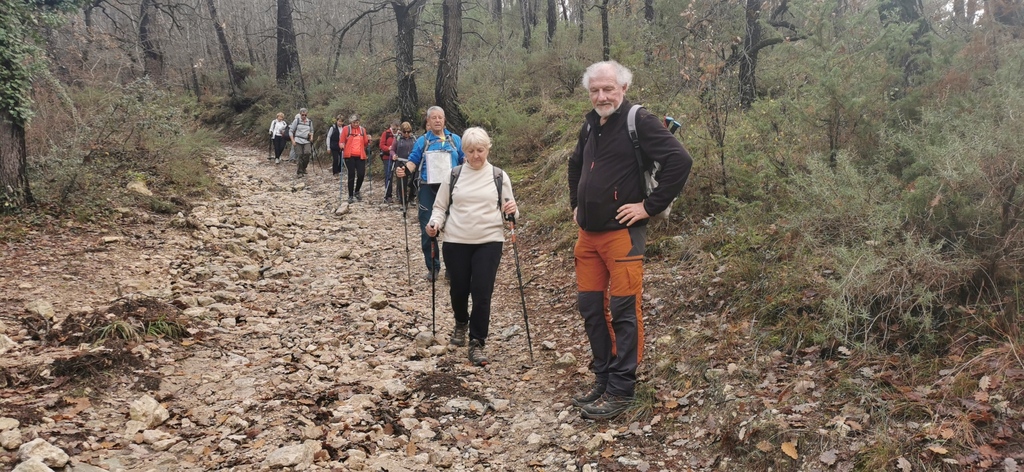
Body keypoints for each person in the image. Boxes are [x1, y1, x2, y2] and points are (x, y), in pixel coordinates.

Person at [567, 60, 693, 420]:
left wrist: (649, 207)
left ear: (623, 88)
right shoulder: (591, 125)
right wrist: (576, 205)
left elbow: (679, 161)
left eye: (608, 89)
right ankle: (604, 378)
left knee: (623, 311)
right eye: (595, 90)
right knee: (591, 309)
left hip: (622, 236)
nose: (601, 95)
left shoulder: (640, 121)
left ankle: (622, 389)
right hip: (588, 237)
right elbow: (575, 165)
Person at [425, 127, 518, 366]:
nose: (476, 155)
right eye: (470, 151)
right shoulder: (453, 175)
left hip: (489, 241)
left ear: (488, 148)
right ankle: (461, 322)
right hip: (456, 240)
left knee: (482, 292)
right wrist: (435, 223)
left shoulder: (499, 176)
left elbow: (511, 209)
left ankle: (477, 341)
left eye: (481, 150)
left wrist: (512, 212)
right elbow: (439, 206)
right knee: (458, 289)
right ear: (463, 151)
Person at [395, 106, 465, 281]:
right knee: (429, 228)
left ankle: (452, 268)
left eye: (440, 117)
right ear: (428, 121)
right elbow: (413, 161)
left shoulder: (455, 140)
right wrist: (404, 170)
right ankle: (433, 267)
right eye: (433, 117)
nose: (437, 120)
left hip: (452, 188)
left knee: (453, 228)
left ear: (444, 120)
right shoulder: (422, 141)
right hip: (428, 188)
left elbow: (466, 160)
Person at [340, 114, 372, 203]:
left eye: (357, 122)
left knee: (361, 174)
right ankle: (350, 195)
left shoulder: (362, 130)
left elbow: (365, 143)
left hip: (360, 155)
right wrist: (341, 145)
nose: (356, 124)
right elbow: (341, 141)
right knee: (351, 175)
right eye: (354, 122)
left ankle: (357, 191)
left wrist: (369, 140)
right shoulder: (346, 129)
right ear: (351, 122)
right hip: (349, 156)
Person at [391, 121, 418, 206]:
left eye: (408, 132)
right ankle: (403, 201)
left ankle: (411, 197)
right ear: (401, 131)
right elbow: (392, 150)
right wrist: (394, 155)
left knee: (414, 181)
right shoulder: (398, 138)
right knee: (402, 183)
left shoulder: (414, 139)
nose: (406, 134)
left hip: (411, 163)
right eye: (404, 132)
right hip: (400, 162)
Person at [379, 120, 400, 203]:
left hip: (397, 157)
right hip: (387, 157)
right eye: (394, 128)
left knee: (399, 175)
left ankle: (399, 194)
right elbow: (381, 145)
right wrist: (388, 148)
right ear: (391, 126)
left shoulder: (400, 134)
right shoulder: (386, 133)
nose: (395, 130)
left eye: (396, 128)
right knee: (389, 176)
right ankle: (388, 195)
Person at [290, 108, 314, 176]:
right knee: (299, 155)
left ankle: (304, 168)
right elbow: (291, 131)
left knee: (307, 153)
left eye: (305, 115)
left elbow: (312, 131)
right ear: (300, 114)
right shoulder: (296, 121)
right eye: (302, 115)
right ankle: (300, 171)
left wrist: (311, 137)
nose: (304, 116)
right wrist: (292, 140)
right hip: (298, 140)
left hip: (306, 140)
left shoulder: (309, 122)